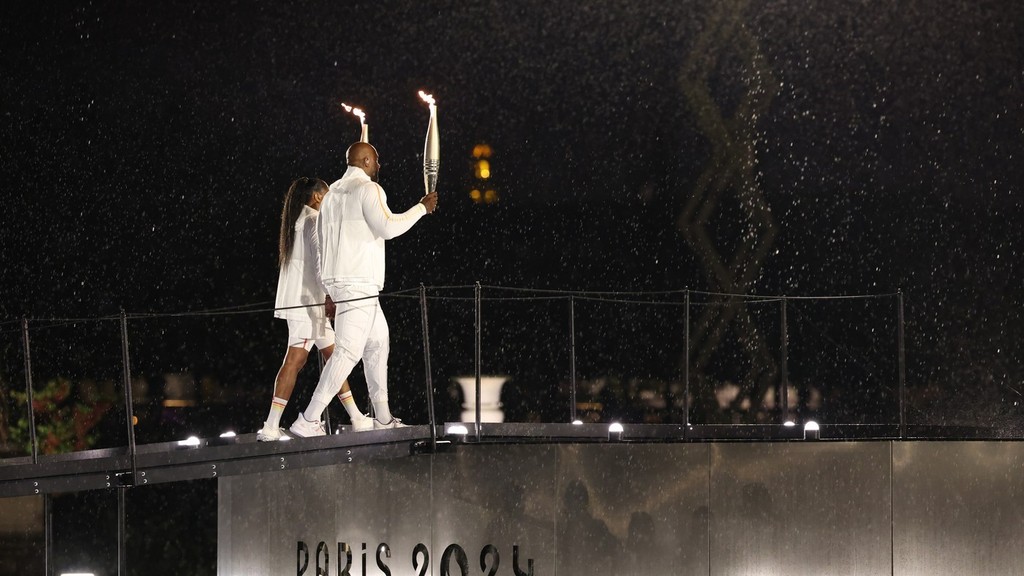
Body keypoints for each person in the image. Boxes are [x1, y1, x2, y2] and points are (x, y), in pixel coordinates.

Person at [289, 142, 438, 437]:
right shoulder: (369, 189)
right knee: (347, 352)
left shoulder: (330, 195)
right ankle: (307, 419)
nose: (380, 166)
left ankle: (382, 418)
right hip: (358, 285)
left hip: (344, 283)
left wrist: (327, 288)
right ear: (366, 161)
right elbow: (388, 227)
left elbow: (322, 244)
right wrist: (422, 208)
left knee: (378, 342)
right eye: (377, 160)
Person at [257, 177, 373, 441]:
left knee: (336, 359)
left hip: (308, 304)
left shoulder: (298, 221)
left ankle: (355, 416)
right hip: (308, 305)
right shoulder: (312, 221)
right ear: (318, 197)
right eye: (328, 194)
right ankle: (271, 426)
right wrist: (332, 295)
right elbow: (322, 264)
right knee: (295, 360)